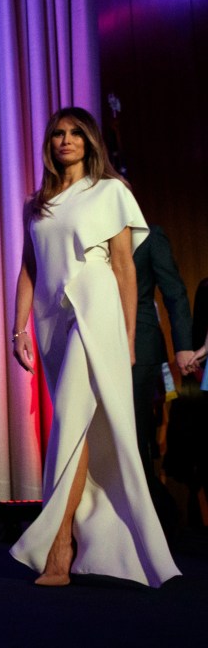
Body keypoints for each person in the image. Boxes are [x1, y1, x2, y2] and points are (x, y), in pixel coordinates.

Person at [9, 106, 180, 587]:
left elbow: (124, 268)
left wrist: (126, 339)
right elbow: (29, 269)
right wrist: (18, 330)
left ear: (89, 142)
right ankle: (83, 537)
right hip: (51, 320)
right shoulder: (37, 204)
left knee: (70, 418)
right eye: (58, 133)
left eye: (75, 133)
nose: (66, 140)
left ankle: (59, 544)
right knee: (77, 426)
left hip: (96, 310)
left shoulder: (110, 191)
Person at [132, 225, 194, 525]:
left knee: (136, 436)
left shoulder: (150, 237)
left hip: (142, 347)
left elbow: (174, 293)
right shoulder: (94, 237)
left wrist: (183, 347)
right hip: (97, 346)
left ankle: (157, 520)